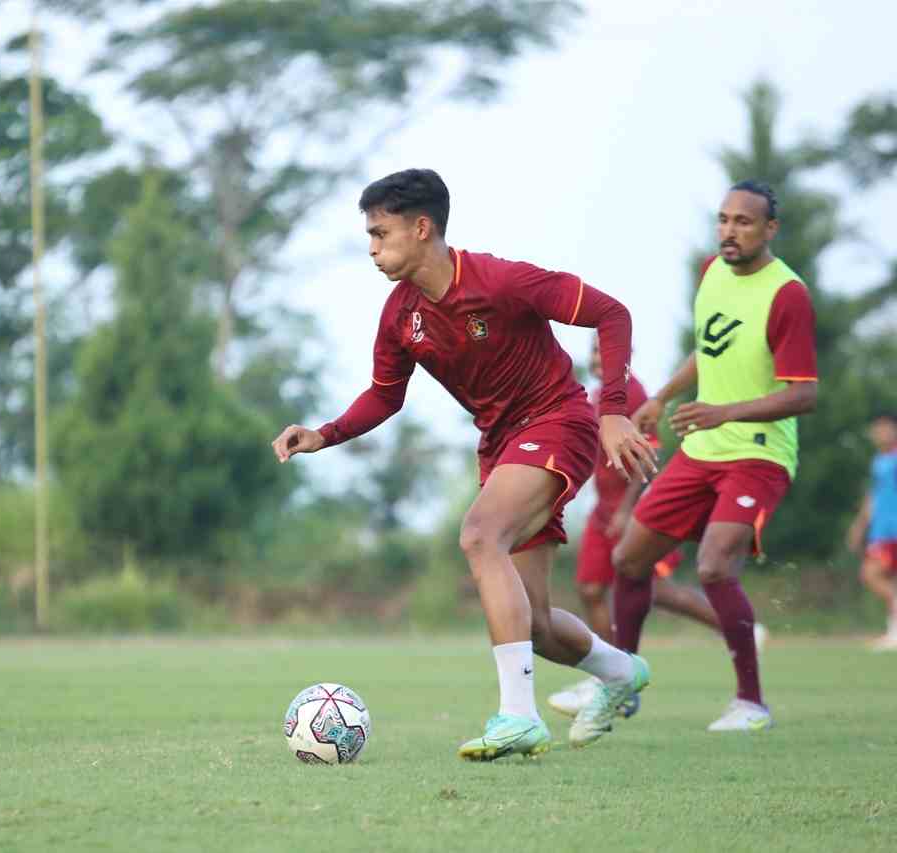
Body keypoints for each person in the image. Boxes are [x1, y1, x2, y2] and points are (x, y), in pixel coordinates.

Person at [271, 168, 657, 760]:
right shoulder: (400, 314)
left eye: (380, 234)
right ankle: (622, 672)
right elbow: (385, 395)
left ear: (422, 228)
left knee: (480, 535)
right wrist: (324, 435)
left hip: (559, 421)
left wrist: (612, 410)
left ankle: (518, 716)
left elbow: (612, 313)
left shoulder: (501, 281)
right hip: (502, 447)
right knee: (536, 625)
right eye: (368, 237)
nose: (372, 249)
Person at [612, 181, 817, 733]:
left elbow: (804, 393)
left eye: (744, 222)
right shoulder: (711, 271)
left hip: (759, 454)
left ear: (769, 229)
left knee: (713, 565)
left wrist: (725, 412)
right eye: (723, 219)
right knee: (629, 560)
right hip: (702, 449)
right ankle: (620, 683)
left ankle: (751, 703)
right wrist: (661, 397)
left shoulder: (787, 294)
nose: (729, 230)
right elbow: (709, 349)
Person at [549, 338, 766, 718]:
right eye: (594, 353)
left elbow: (649, 450)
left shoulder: (633, 394)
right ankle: (609, 670)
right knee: (589, 588)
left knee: (657, 590)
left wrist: (628, 507)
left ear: (625, 356)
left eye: (606, 351)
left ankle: (736, 628)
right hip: (603, 508)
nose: (599, 359)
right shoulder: (596, 395)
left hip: (629, 509)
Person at [847, 413, 897, 650]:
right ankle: (894, 631)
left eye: (884, 428)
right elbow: (873, 497)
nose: (879, 433)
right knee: (881, 577)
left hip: (893, 531)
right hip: (882, 531)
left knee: (872, 574)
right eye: (876, 429)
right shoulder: (879, 460)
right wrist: (859, 526)